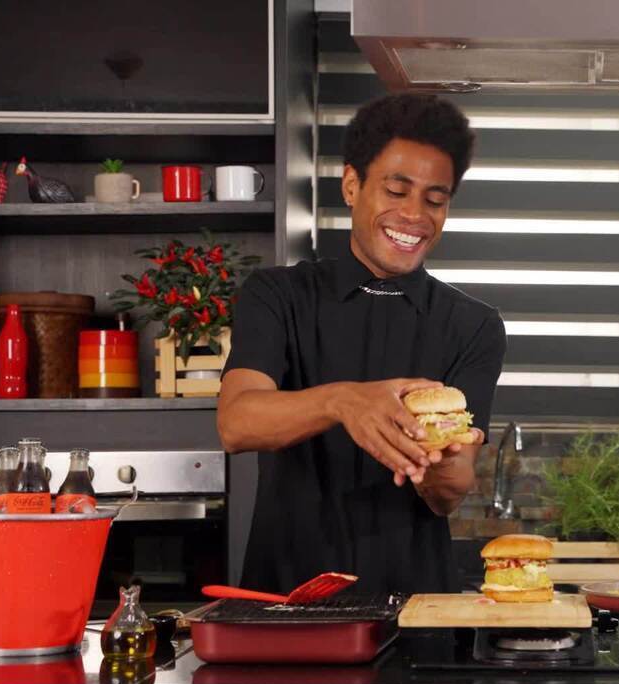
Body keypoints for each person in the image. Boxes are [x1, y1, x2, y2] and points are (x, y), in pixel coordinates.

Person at [217, 94, 507, 595]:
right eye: (396, 190)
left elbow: (448, 496)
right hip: (288, 600)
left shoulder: (474, 325)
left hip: (415, 610)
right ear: (352, 185)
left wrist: (437, 463)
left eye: (435, 200)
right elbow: (237, 423)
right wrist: (344, 401)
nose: (414, 215)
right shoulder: (278, 295)